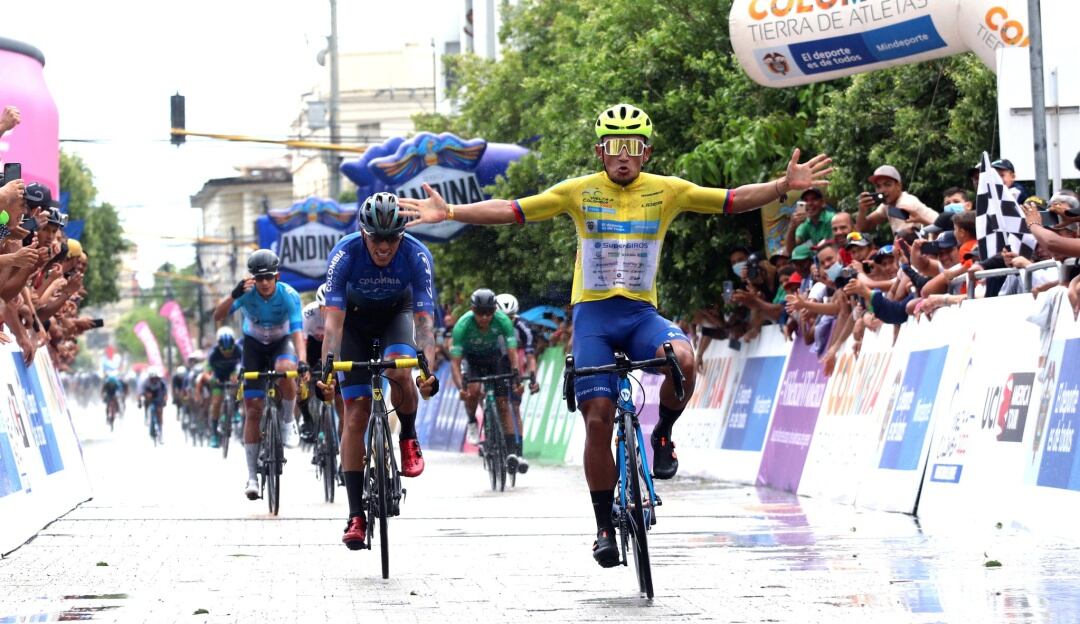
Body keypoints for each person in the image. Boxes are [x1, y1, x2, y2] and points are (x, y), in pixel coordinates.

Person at [398, 102, 831, 567]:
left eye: (633, 147)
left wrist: (783, 186)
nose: (623, 157)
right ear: (601, 152)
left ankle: (662, 435)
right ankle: (604, 526)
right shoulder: (578, 191)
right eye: (614, 148)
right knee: (599, 417)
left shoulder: (667, 190)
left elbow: (729, 199)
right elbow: (512, 209)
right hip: (594, 320)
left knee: (683, 360)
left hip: (642, 314)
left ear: (645, 153)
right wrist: (451, 210)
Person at [314, 192, 439, 550]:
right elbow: (333, 326)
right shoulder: (344, 254)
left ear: (401, 235)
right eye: (376, 238)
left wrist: (425, 369)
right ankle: (355, 515)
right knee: (356, 415)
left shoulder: (416, 254)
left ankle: (408, 437)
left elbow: (424, 322)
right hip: (352, 323)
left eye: (391, 239)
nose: (384, 247)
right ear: (363, 232)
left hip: (395, 317)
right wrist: (325, 374)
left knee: (401, 373)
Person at [212, 249, 306, 500]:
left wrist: (303, 361)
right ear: (253, 278)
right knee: (252, 409)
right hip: (253, 346)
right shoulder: (246, 295)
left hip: (281, 342)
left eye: (269, 277)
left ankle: (287, 421)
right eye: (259, 278)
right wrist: (233, 295)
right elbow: (217, 316)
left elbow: (297, 332)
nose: (264, 283)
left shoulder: (289, 296)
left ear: (277, 276)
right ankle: (252, 477)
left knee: (287, 371)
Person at [454, 289, 525, 472]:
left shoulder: (502, 320)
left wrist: (516, 376)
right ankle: (471, 420)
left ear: (494, 310)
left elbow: (511, 352)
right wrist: (459, 387)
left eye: (489, 313)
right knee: (474, 390)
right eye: (480, 313)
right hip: (472, 360)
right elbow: (455, 363)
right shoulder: (462, 325)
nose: (484, 317)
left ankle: (511, 452)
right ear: (472, 309)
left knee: (503, 403)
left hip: (495, 358)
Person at [495, 292, 541, 468]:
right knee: (497, 400)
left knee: (514, 407)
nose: (508, 321)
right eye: (503, 317)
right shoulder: (490, 324)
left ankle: (518, 453)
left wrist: (532, 378)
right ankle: (491, 427)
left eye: (511, 317)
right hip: (495, 360)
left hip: (514, 362)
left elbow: (530, 356)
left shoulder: (523, 326)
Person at [298, 284, 346, 444]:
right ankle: (306, 418)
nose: (327, 311)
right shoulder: (308, 313)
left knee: (341, 403)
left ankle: (343, 448)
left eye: (330, 307)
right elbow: (301, 342)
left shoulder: (343, 313)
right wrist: (304, 366)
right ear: (318, 306)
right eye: (323, 307)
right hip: (311, 345)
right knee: (301, 380)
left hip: (334, 345)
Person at [855, 165, 938, 234]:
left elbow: (905, 241)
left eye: (887, 185)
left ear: (898, 186)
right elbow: (862, 228)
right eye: (878, 186)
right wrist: (862, 211)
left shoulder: (904, 204)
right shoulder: (887, 205)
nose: (882, 190)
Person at [204, 326, 243, 448]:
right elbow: (207, 371)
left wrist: (237, 374)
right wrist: (211, 378)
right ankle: (214, 435)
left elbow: (243, 365)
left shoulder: (238, 350)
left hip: (232, 375)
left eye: (229, 350)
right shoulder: (213, 353)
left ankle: (235, 409)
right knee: (216, 403)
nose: (227, 353)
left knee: (238, 385)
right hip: (218, 378)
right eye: (224, 350)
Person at [140, 368, 169, 441]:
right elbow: (142, 392)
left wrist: (165, 399)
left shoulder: (161, 382)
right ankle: (150, 427)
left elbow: (165, 392)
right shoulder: (146, 383)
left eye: (155, 378)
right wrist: (141, 399)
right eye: (152, 378)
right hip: (150, 400)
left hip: (159, 399)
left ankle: (160, 431)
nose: (154, 380)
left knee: (159, 414)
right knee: (151, 410)